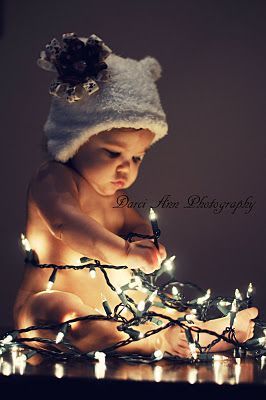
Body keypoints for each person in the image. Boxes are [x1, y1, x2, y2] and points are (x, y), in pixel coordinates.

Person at [13, 33, 258, 362]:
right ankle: (155, 343)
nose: (125, 168)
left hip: (114, 307)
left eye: (137, 158)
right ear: (75, 140)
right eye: (112, 153)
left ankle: (203, 333)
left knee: (156, 305)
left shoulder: (116, 197)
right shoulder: (54, 178)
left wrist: (146, 244)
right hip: (45, 307)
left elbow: (137, 224)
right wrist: (125, 251)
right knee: (65, 313)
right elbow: (65, 223)